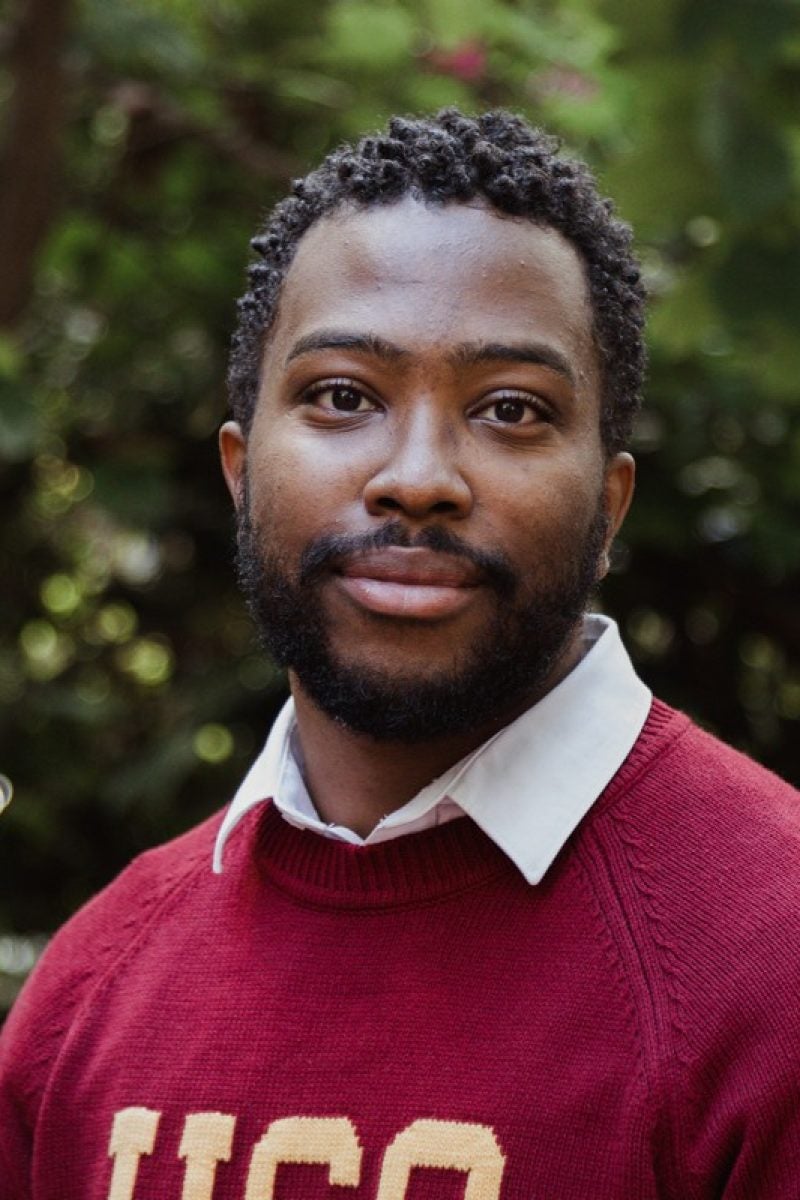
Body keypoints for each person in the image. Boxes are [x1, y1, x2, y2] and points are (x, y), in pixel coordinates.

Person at [1, 108, 798, 1200]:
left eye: (510, 409)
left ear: (608, 507)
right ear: (240, 472)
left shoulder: (772, 956)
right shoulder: (90, 991)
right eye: (342, 396)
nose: (417, 477)